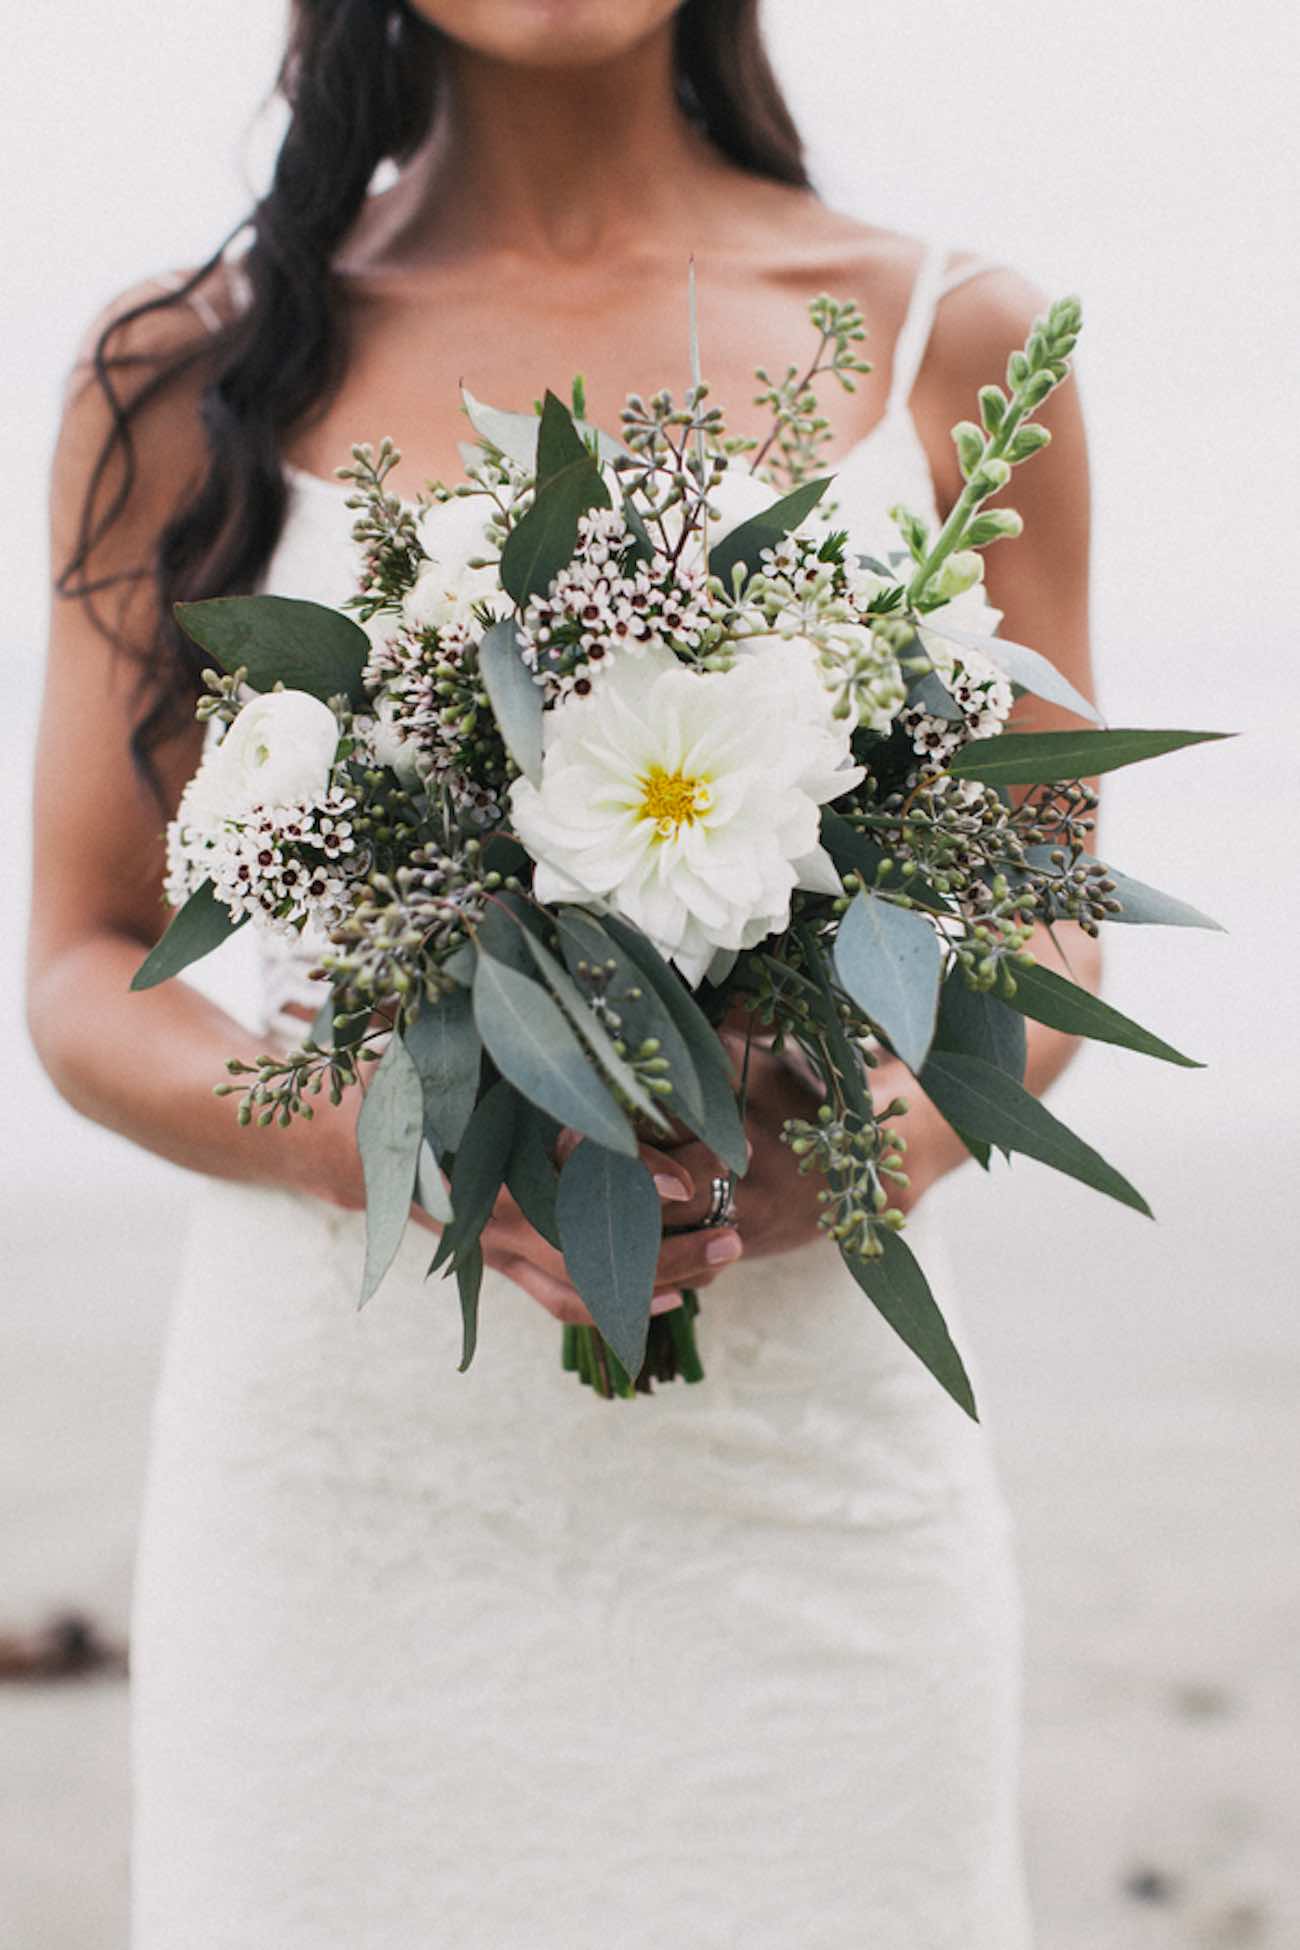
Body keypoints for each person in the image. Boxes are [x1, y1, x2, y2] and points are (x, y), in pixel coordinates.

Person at [28, 2, 1098, 1942]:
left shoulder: (954, 337)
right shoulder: (181, 371)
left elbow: (1043, 910)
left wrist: (864, 1146)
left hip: (809, 1497)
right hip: (346, 1499)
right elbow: (85, 957)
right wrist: (358, 1136)